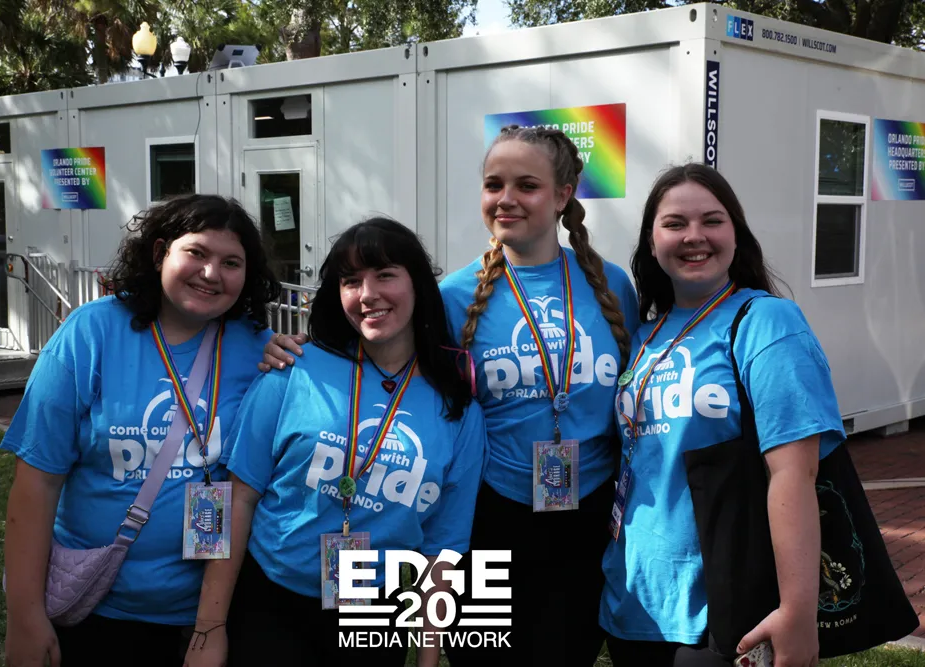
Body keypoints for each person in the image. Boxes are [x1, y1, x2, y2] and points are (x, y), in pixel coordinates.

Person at [260, 126, 640, 663]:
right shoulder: (454, 296)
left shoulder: (612, 286)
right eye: (493, 184)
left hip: (588, 513)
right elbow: (386, 358)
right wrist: (294, 346)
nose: (506, 199)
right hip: (493, 512)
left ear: (563, 194)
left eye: (527, 185)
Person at [184, 217, 487, 667]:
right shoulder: (292, 368)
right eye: (351, 281)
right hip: (271, 602)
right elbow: (240, 498)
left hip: (375, 614)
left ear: (418, 285)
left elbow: (443, 547)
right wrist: (209, 628)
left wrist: (427, 660)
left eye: (385, 275)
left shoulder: (457, 410)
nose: (367, 294)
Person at [1, 194, 282, 667]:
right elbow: (37, 483)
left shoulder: (261, 351)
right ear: (159, 254)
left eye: (231, 262)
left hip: (212, 612)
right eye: (196, 252)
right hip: (97, 604)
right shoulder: (91, 333)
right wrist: (24, 616)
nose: (211, 273)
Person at [598, 163, 847, 667]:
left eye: (712, 220)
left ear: (737, 234)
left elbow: (795, 474)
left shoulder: (766, 322)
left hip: (724, 606)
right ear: (651, 242)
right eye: (675, 224)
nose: (694, 236)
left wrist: (797, 611)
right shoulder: (645, 336)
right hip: (632, 602)